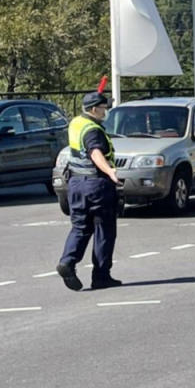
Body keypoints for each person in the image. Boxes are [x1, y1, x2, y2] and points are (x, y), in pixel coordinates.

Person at [56, 90, 121, 291]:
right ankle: (101, 276)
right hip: (97, 185)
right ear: (94, 109)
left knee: (80, 227)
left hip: (76, 183)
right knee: (104, 230)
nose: (106, 111)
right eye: (104, 108)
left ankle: (68, 261)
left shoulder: (76, 122)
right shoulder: (93, 130)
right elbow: (95, 152)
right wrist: (109, 171)